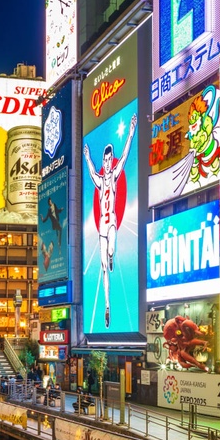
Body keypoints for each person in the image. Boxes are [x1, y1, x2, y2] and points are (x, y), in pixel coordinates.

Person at [83, 112, 137, 328]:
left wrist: (131, 131)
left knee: (111, 251)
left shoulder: (113, 175)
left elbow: (124, 156)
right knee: (104, 266)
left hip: (112, 222)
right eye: (104, 160)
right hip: (101, 229)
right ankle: (107, 306)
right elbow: (90, 172)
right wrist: (88, 157)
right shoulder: (99, 178)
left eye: (108, 159)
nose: (106, 162)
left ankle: (112, 255)